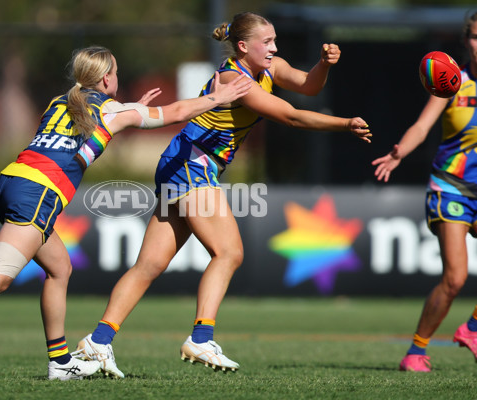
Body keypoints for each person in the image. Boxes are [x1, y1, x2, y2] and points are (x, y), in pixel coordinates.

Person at [0, 45, 252, 380]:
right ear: (105, 80)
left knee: (59, 268)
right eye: (115, 71)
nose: (118, 76)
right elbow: (175, 113)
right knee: (0, 274)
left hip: (12, 180)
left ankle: (60, 362)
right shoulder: (112, 111)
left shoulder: (59, 102)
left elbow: (88, 130)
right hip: (39, 191)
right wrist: (216, 99)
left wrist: (132, 110)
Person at [75, 12, 372, 378]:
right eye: (268, 42)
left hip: (182, 160)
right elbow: (292, 116)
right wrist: (344, 124)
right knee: (229, 252)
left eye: (276, 40)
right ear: (244, 46)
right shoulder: (236, 79)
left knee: (149, 265)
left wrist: (323, 65)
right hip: (192, 163)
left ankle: (97, 342)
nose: (275, 48)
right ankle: (201, 337)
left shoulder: (270, 67)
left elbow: (309, 86)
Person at [372, 11, 477, 373]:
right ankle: (415, 351)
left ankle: (472, 329)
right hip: (452, 186)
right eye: (476, 37)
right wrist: (400, 151)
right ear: (466, 41)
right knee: (455, 279)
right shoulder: (454, 81)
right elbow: (421, 126)